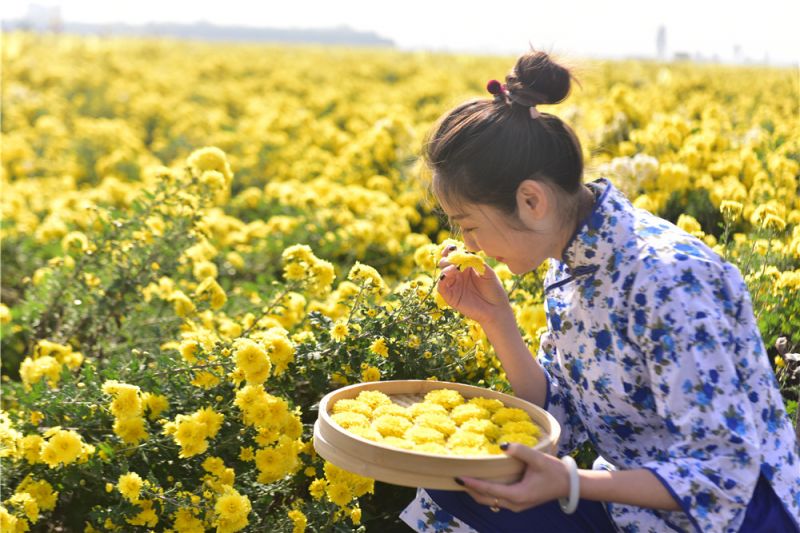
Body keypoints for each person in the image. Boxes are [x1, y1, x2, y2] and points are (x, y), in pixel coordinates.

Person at [399, 49, 800, 532]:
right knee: (455, 489)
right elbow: (559, 421)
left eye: (468, 224)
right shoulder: (570, 263)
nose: (467, 243)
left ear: (531, 200)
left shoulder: (669, 279)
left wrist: (572, 485)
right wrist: (497, 321)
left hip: (735, 519)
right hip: (631, 507)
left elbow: (722, 474)